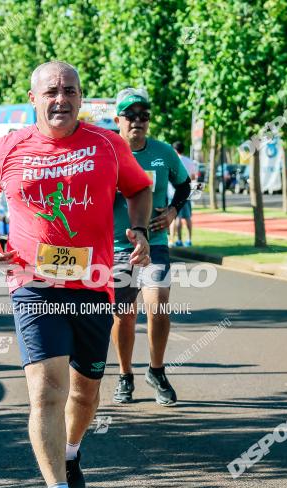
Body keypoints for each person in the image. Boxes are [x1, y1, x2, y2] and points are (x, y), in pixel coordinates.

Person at [0, 62, 152, 488]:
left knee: (85, 394)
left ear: (80, 98)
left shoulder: (107, 144)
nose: (61, 99)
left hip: (92, 283)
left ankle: (71, 451)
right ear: (33, 97)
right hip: (33, 284)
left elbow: (138, 188)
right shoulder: (8, 147)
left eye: (70, 91)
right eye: (51, 91)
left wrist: (136, 227)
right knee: (46, 389)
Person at [111, 88, 192, 407]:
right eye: (130, 116)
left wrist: (173, 211)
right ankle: (125, 374)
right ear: (118, 119)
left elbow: (185, 185)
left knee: (158, 304)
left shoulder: (163, 153)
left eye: (144, 116)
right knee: (124, 315)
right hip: (116, 245)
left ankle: (156, 371)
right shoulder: (107, 150)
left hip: (155, 243)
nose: (137, 122)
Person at [169, 141, 198, 247]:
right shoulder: (190, 161)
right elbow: (194, 177)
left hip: (175, 193)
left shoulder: (175, 161)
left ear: (175, 150)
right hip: (188, 192)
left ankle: (176, 240)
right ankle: (189, 240)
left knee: (176, 217)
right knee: (188, 217)